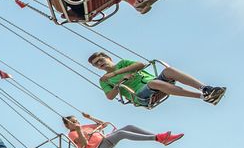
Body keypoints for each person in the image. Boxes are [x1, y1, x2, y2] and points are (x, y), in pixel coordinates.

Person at [89, 52, 226, 106]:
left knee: (168, 71)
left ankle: (206, 89)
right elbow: (110, 96)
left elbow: (140, 64)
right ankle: (202, 97)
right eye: (97, 64)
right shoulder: (103, 80)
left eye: (101, 60)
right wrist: (119, 82)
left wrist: (116, 73)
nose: (100, 64)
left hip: (155, 82)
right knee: (154, 83)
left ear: (108, 58)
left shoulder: (123, 63)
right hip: (140, 95)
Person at [63, 113, 183, 148]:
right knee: (121, 134)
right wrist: (78, 131)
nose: (76, 123)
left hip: (104, 140)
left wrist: (90, 118)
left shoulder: (84, 126)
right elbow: (84, 144)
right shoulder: (72, 134)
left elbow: (103, 125)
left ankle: (161, 138)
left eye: (76, 121)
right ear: (68, 126)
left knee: (129, 126)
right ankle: (158, 138)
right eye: (73, 123)